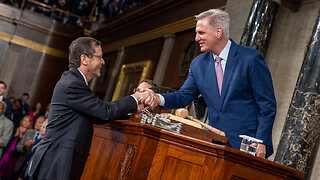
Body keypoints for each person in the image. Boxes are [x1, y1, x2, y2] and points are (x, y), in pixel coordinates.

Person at [28, 37, 157, 180]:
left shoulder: (74, 81)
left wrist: (134, 108)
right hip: (58, 160)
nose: (103, 62)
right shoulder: (73, 84)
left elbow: (97, 115)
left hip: (60, 159)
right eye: (99, 57)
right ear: (84, 59)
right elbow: (104, 111)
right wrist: (135, 97)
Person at [155, 9, 276, 158]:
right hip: (212, 144)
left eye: (201, 33)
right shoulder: (197, 64)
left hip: (247, 146)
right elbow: (184, 96)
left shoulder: (250, 59)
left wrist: (261, 141)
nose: (196, 38)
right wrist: (157, 99)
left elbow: (267, 106)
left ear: (218, 32)